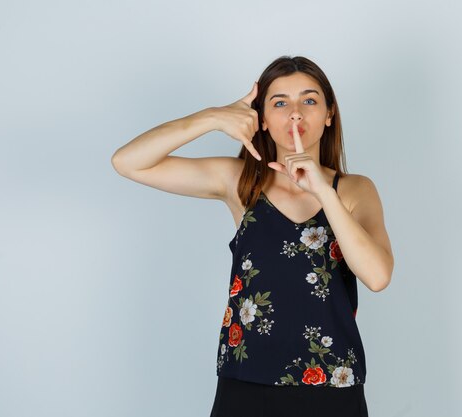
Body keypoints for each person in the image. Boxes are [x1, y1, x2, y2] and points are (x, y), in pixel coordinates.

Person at [111, 55, 394, 417]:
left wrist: (323, 191)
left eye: (309, 100)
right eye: (280, 103)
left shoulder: (354, 190)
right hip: (246, 386)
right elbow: (128, 162)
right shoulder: (241, 182)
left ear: (328, 114)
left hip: (332, 388)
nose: (295, 113)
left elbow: (378, 275)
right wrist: (212, 118)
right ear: (261, 118)